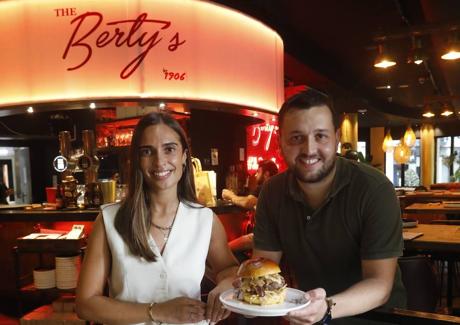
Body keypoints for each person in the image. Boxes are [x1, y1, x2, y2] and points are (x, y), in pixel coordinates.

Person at [252, 89, 405, 324]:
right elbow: (263, 269)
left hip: (374, 316)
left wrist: (327, 308)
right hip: (309, 315)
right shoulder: (272, 192)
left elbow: (380, 285)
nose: (309, 149)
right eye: (296, 138)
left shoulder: (374, 189)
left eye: (320, 136)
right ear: (280, 142)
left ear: (336, 138)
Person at [76, 112, 239, 325]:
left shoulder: (205, 219)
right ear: (136, 160)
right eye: (147, 152)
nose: (160, 161)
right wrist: (157, 311)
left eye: (169, 149)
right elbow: (85, 304)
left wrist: (226, 284)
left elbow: (228, 268)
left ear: (184, 156)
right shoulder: (110, 220)